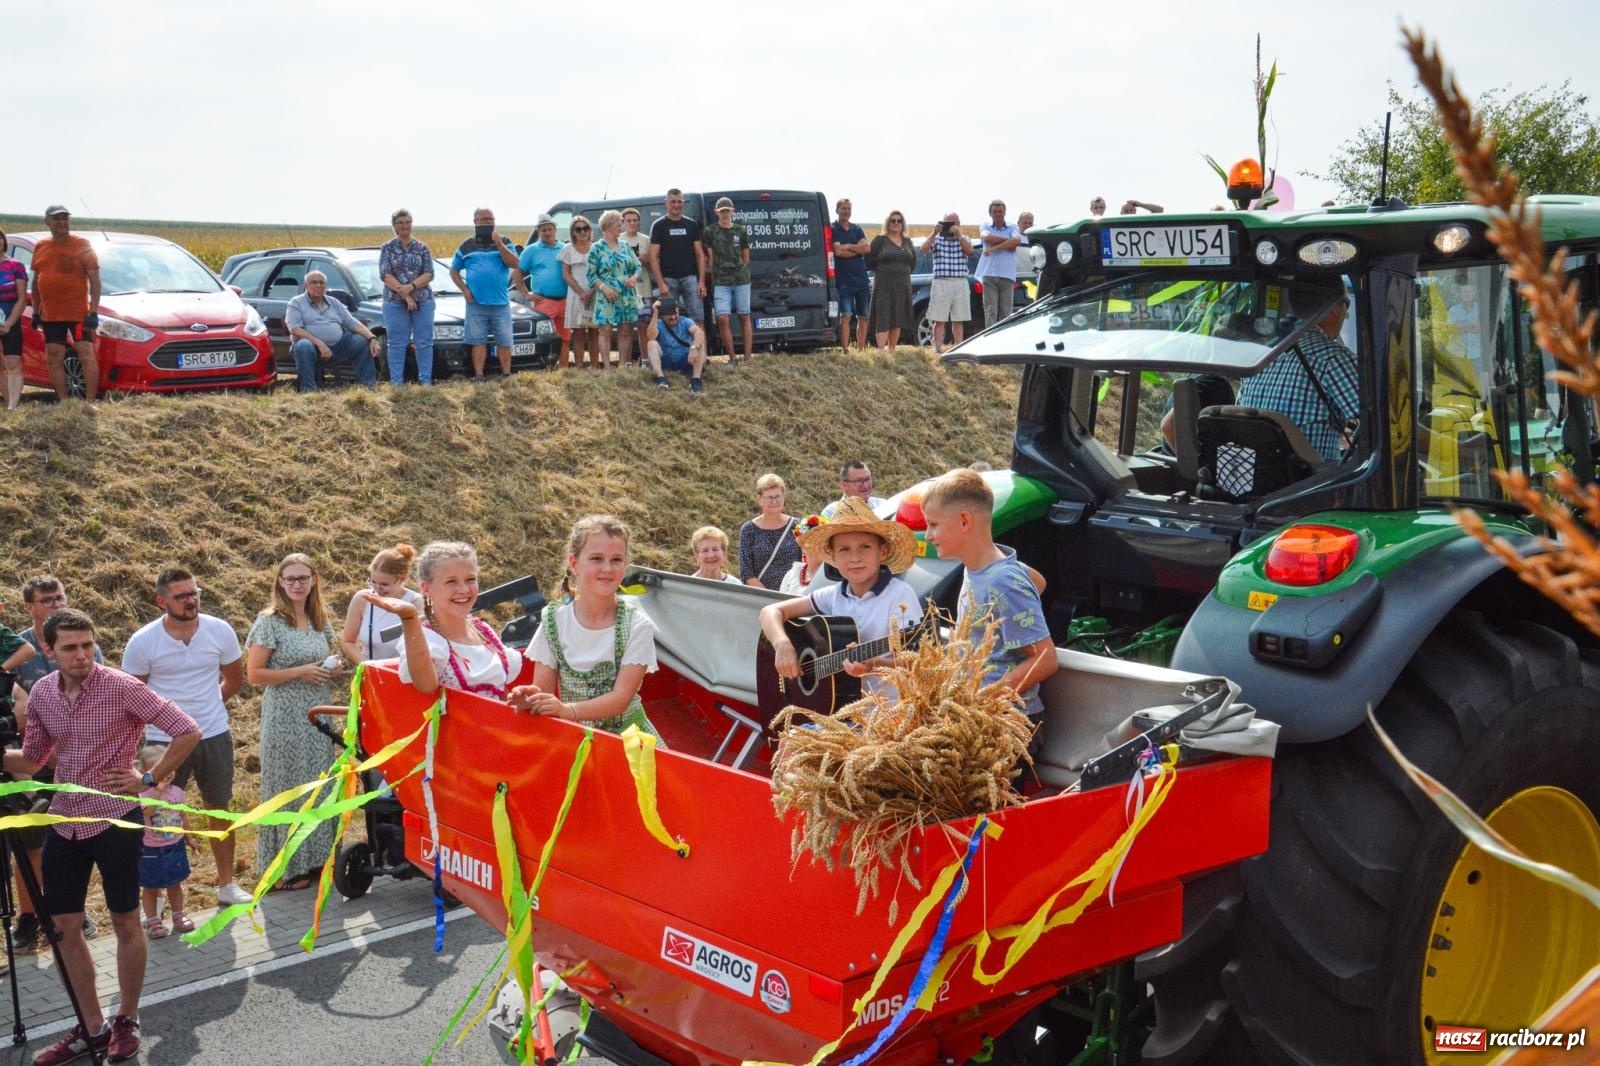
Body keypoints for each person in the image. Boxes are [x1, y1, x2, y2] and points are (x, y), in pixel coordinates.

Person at [2, 608, 199, 1066]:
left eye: (88, 645)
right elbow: (33, 762)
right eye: (70, 647)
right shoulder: (43, 692)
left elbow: (187, 730)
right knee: (63, 927)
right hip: (65, 824)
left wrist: (150, 779)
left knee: (127, 922)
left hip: (115, 821)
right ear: (48, 649)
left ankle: (126, 1019)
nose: (82, 655)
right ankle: (91, 1027)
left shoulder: (122, 686)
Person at [121, 567, 250, 908]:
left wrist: (204, 710)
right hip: (164, 740)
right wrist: (172, 721)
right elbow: (133, 696)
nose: (191, 600)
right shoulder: (143, 641)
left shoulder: (219, 631)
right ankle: (158, 891)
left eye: (194, 593)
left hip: (214, 733)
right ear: (161, 601)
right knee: (160, 810)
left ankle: (226, 883)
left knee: (219, 807)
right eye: (181, 596)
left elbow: (234, 681)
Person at [507, 515, 664, 739]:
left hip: (628, 741)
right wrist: (531, 699)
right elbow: (543, 690)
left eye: (616, 560)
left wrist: (568, 711)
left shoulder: (637, 625)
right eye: (597, 558)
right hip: (575, 736)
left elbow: (621, 699)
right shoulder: (554, 619)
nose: (607, 568)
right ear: (573, 563)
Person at [921, 468, 1058, 717]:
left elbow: (1045, 659)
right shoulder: (985, 570)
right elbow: (1038, 581)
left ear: (964, 521)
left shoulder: (1003, 580)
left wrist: (982, 700)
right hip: (978, 715)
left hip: (1007, 721)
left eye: (933, 524)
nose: (928, 535)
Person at [758, 498, 924, 699]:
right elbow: (770, 612)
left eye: (865, 547)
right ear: (834, 558)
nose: (855, 558)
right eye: (844, 549)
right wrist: (782, 645)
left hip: (887, 716)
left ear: (883, 551)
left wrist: (874, 665)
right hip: (839, 712)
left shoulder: (900, 595)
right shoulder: (833, 595)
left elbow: (916, 662)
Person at [244, 554, 339, 892]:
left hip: (317, 711)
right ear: (280, 583)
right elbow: (254, 675)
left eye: (303, 578)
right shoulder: (269, 622)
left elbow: (326, 656)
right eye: (290, 579)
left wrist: (331, 668)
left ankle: (315, 860)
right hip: (285, 715)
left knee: (318, 783)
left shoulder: (318, 619)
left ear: (313, 580)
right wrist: (301, 671)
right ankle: (285, 867)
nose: (297, 585)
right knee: (287, 786)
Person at [371, 541, 524, 697]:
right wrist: (409, 618)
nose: (464, 589)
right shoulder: (426, 639)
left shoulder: (483, 631)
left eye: (470, 579)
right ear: (426, 588)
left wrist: (519, 700)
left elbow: (499, 692)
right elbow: (426, 686)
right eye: (451, 582)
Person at [1235, 281, 1358, 462]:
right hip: (1314, 484)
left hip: (1259, 479)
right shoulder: (1333, 358)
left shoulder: (1263, 355)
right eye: (1346, 305)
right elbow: (1382, 423)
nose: (1345, 314)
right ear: (1334, 307)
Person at [449, 207, 531, 381]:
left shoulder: (505, 241)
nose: (487, 222)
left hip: (500, 303)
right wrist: (465, 290)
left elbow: (516, 263)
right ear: (475, 222)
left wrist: (499, 244)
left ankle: (506, 374)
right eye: (483, 219)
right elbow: (454, 271)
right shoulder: (466, 245)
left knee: (504, 340)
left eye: (490, 219)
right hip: (476, 303)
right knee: (478, 341)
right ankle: (479, 375)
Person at [29, 206, 101, 402]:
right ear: (47, 222)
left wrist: (93, 312)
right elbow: (36, 281)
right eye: (56, 218)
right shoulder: (41, 246)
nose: (61, 222)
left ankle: (90, 402)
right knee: (54, 355)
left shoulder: (82, 244)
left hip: (78, 313)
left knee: (86, 352)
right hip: (51, 315)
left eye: (64, 218)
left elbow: (95, 280)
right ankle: (64, 401)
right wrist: (35, 312)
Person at [285, 270, 381, 392]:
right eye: (313, 282)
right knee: (303, 345)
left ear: (326, 286)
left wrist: (372, 338)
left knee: (361, 341)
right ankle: (308, 391)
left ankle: (368, 387)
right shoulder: (296, 303)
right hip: (312, 347)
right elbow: (295, 329)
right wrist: (320, 344)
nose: (318, 285)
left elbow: (352, 322)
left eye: (321, 282)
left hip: (338, 346)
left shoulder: (334, 302)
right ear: (306, 286)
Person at [136, 744, 192, 939]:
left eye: (169, 768)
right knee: (150, 887)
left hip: (174, 846)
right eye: (161, 771)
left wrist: (189, 837)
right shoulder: (143, 794)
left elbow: (183, 815)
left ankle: (178, 915)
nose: (167, 774)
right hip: (151, 848)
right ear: (146, 773)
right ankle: (153, 921)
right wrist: (158, 791)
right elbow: (148, 812)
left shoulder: (178, 792)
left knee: (175, 883)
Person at [378, 208, 436, 384]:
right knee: (396, 343)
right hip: (394, 302)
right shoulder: (387, 248)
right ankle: (397, 383)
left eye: (407, 222)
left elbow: (429, 273)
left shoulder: (421, 248)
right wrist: (405, 295)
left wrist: (411, 287)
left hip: (422, 300)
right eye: (400, 223)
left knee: (424, 342)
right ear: (394, 226)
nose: (404, 226)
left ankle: (425, 382)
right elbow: (385, 274)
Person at [341, 543, 423, 663]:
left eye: (385, 584)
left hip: (402, 673)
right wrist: (368, 665)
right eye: (373, 582)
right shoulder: (362, 599)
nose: (377, 588)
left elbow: (420, 648)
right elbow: (348, 642)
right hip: (370, 672)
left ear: (402, 579)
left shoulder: (416, 603)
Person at [588, 210, 642, 373]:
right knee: (605, 330)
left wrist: (633, 278)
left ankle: (622, 367)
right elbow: (591, 274)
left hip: (626, 295)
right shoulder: (596, 248)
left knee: (625, 330)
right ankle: (606, 369)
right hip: (606, 296)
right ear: (608, 226)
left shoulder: (625, 245)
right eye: (619, 223)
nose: (622, 226)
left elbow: (637, 266)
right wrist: (604, 288)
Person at [705, 197, 753, 365]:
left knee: (744, 316)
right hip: (721, 281)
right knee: (723, 318)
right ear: (716, 212)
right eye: (722, 210)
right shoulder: (710, 231)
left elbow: (746, 255)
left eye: (728, 210)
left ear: (733, 211)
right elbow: (709, 254)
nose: (725, 213)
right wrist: (711, 268)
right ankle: (732, 358)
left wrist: (740, 269)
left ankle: (747, 357)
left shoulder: (741, 230)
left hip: (741, 279)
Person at [648, 188, 706, 323]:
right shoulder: (658, 225)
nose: (676, 205)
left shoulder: (691, 224)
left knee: (698, 319)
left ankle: (700, 345)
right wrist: (661, 283)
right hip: (668, 280)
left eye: (679, 202)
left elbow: (700, 254)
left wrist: (701, 281)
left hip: (691, 279)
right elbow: (653, 257)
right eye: (673, 202)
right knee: (668, 319)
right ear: (666, 202)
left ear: (683, 203)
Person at [920, 212, 973, 354]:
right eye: (948, 223)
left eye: (954, 222)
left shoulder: (965, 238)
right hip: (941, 282)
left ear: (959, 224)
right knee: (939, 318)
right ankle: (937, 348)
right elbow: (923, 249)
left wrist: (959, 236)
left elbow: (969, 251)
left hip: (960, 282)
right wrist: (933, 232)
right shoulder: (937, 239)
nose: (951, 226)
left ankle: (959, 348)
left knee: (959, 319)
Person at [518, 214, 570, 357]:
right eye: (543, 230)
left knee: (565, 339)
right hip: (544, 301)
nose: (547, 232)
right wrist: (525, 294)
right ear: (538, 232)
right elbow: (518, 272)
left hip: (565, 300)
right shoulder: (531, 250)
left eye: (549, 229)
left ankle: (564, 371)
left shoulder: (565, 248)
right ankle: (545, 369)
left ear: (555, 230)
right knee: (544, 338)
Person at [738, 473, 802, 590]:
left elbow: (805, 561)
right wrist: (768, 596)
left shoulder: (797, 525)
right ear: (759, 499)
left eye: (778, 496)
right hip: (761, 596)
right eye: (769, 497)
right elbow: (747, 572)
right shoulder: (748, 530)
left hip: (792, 593)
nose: (774, 501)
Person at [867, 210, 916, 349]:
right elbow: (869, 261)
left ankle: (892, 350)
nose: (896, 223)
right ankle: (881, 351)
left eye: (899, 221)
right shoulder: (880, 240)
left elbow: (912, 262)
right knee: (883, 317)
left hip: (902, 285)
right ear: (888, 223)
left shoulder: (907, 242)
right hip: (884, 285)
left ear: (903, 223)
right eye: (893, 221)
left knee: (897, 318)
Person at [831, 198, 872, 351]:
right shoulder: (833, 229)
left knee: (863, 316)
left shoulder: (857, 229)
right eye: (843, 208)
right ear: (837, 210)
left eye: (849, 208)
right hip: (844, 281)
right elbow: (838, 251)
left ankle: (861, 348)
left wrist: (848, 247)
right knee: (846, 315)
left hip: (861, 279)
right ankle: (845, 349)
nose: (846, 211)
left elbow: (867, 248)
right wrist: (856, 250)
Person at [975, 200, 1022, 328]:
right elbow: (986, 238)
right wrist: (1009, 242)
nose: (998, 214)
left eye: (1000, 211)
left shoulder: (1013, 227)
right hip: (989, 274)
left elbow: (1017, 241)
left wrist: (994, 248)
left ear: (1004, 212)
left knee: (1005, 313)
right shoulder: (985, 226)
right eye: (995, 212)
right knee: (991, 312)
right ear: (990, 213)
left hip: (1007, 275)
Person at [645, 298, 707, 393]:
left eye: (676, 313)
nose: (673, 317)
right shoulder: (659, 323)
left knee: (700, 344)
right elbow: (650, 336)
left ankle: (696, 380)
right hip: (667, 361)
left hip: (687, 360)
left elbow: (699, 333)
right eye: (670, 315)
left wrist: (694, 348)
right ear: (664, 315)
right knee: (651, 343)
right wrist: (655, 313)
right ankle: (661, 379)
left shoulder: (685, 321)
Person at [559, 216, 598, 370]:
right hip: (576, 295)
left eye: (585, 228)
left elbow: (601, 272)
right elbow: (566, 274)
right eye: (578, 229)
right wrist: (582, 293)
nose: (582, 232)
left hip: (595, 293)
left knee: (594, 332)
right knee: (579, 332)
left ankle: (594, 366)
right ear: (573, 232)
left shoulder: (597, 248)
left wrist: (591, 292)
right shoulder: (567, 249)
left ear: (590, 231)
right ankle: (579, 366)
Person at [620, 207, 653, 357]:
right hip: (624, 292)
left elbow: (653, 266)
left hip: (643, 290)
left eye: (635, 220)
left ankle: (646, 361)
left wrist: (643, 258)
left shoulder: (646, 240)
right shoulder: (617, 240)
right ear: (623, 222)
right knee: (625, 329)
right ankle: (625, 363)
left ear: (639, 222)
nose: (632, 223)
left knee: (643, 328)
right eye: (629, 220)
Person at [1, 230, 27, 409]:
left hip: (11, 320)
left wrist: (9, 323)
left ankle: (13, 407)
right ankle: (8, 401)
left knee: (12, 363)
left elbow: (22, 298)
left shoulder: (16, 266)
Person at [821, 460, 887, 519]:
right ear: (844, 485)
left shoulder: (883, 505)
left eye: (867, 479)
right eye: (859, 481)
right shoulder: (831, 512)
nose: (865, 485)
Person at [777, 514, 825, 595]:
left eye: (818, 542)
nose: (813, 546)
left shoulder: (830, 575)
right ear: (802, 546)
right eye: (808, 542)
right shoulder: (791, 574)